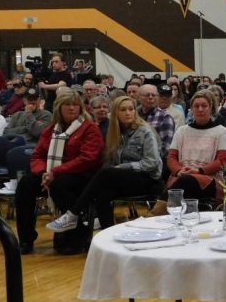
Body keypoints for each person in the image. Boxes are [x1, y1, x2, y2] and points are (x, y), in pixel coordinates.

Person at [46, 96, 163, 232]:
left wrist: (122, 168)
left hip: (147, 179)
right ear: (115, 114)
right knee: (103, 192)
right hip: (123, 179)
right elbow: (109, 160)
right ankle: (108, 233)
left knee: (107, 173)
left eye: (131, 109)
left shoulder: (146, 132)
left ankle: (73, 214)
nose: (128, 113)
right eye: (123, 110)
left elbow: (152, 163)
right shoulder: (115, 134)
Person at [14, 89, 104, 254]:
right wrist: (43, 173)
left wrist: (55, 171)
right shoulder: (50, 130)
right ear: (58, 108)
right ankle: (26, 239)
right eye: (67, 105)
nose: (72, 108)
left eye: (75, 105)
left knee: (60, 184)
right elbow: (37, 156)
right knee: (25, 184)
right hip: (51, 174)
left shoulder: (89, 128)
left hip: (82, 175)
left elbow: (88, 159)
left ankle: (77, 234)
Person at [151, 90, 226, 211]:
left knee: (185, 181)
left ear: (211, 108)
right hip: (182, 174)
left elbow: (222, 161)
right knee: (184, 181)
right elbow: (171, 157)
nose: (200, 109)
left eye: (204, 106)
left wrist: (198, 170)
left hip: (210, 178)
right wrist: (179, 170)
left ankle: (156, 212)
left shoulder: (222, 132)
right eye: (196, 106)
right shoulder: (182, 131)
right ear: (191, 109)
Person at [137, 84, 175, 160]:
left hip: (152, 162)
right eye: (147, 95)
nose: (151, 97)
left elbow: (165, 150)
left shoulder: (165, 117)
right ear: (138, 97)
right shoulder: (133, 114)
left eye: (154, 95)